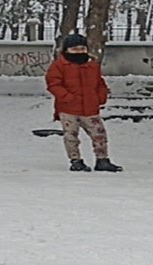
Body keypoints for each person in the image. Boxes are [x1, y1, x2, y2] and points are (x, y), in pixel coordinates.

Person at [45, 34, 122, 172]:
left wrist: (101, 97)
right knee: (71, 136)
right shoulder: (58, 66)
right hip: (68, 109)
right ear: (67, 50)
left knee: (99, 134)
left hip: (90, 108)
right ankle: (76, 161)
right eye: (75, 49)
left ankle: (102, 160)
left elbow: (100, 83)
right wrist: (67, 97)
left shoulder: (92, 66)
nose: (79, 51)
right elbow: (53, 85)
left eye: (82, 48)